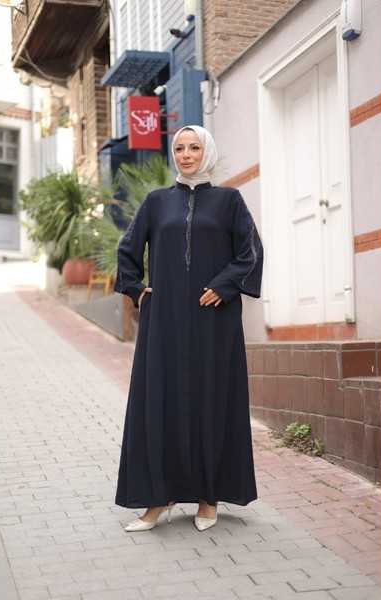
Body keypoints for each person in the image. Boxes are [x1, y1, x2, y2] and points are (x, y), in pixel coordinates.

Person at [114, 125, 264, 532]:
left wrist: (224, 285)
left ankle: (208, 498)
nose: (186, 154)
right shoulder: (157, 202)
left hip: (214, 322)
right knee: (158, 401)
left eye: (194, 147)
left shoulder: (229, 201)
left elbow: (250, 252)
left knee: (212, 400)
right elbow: (127, 249)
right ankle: (157, 498)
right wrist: (137, 289)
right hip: (164, 322)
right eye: (179, 148)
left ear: (206, 152)